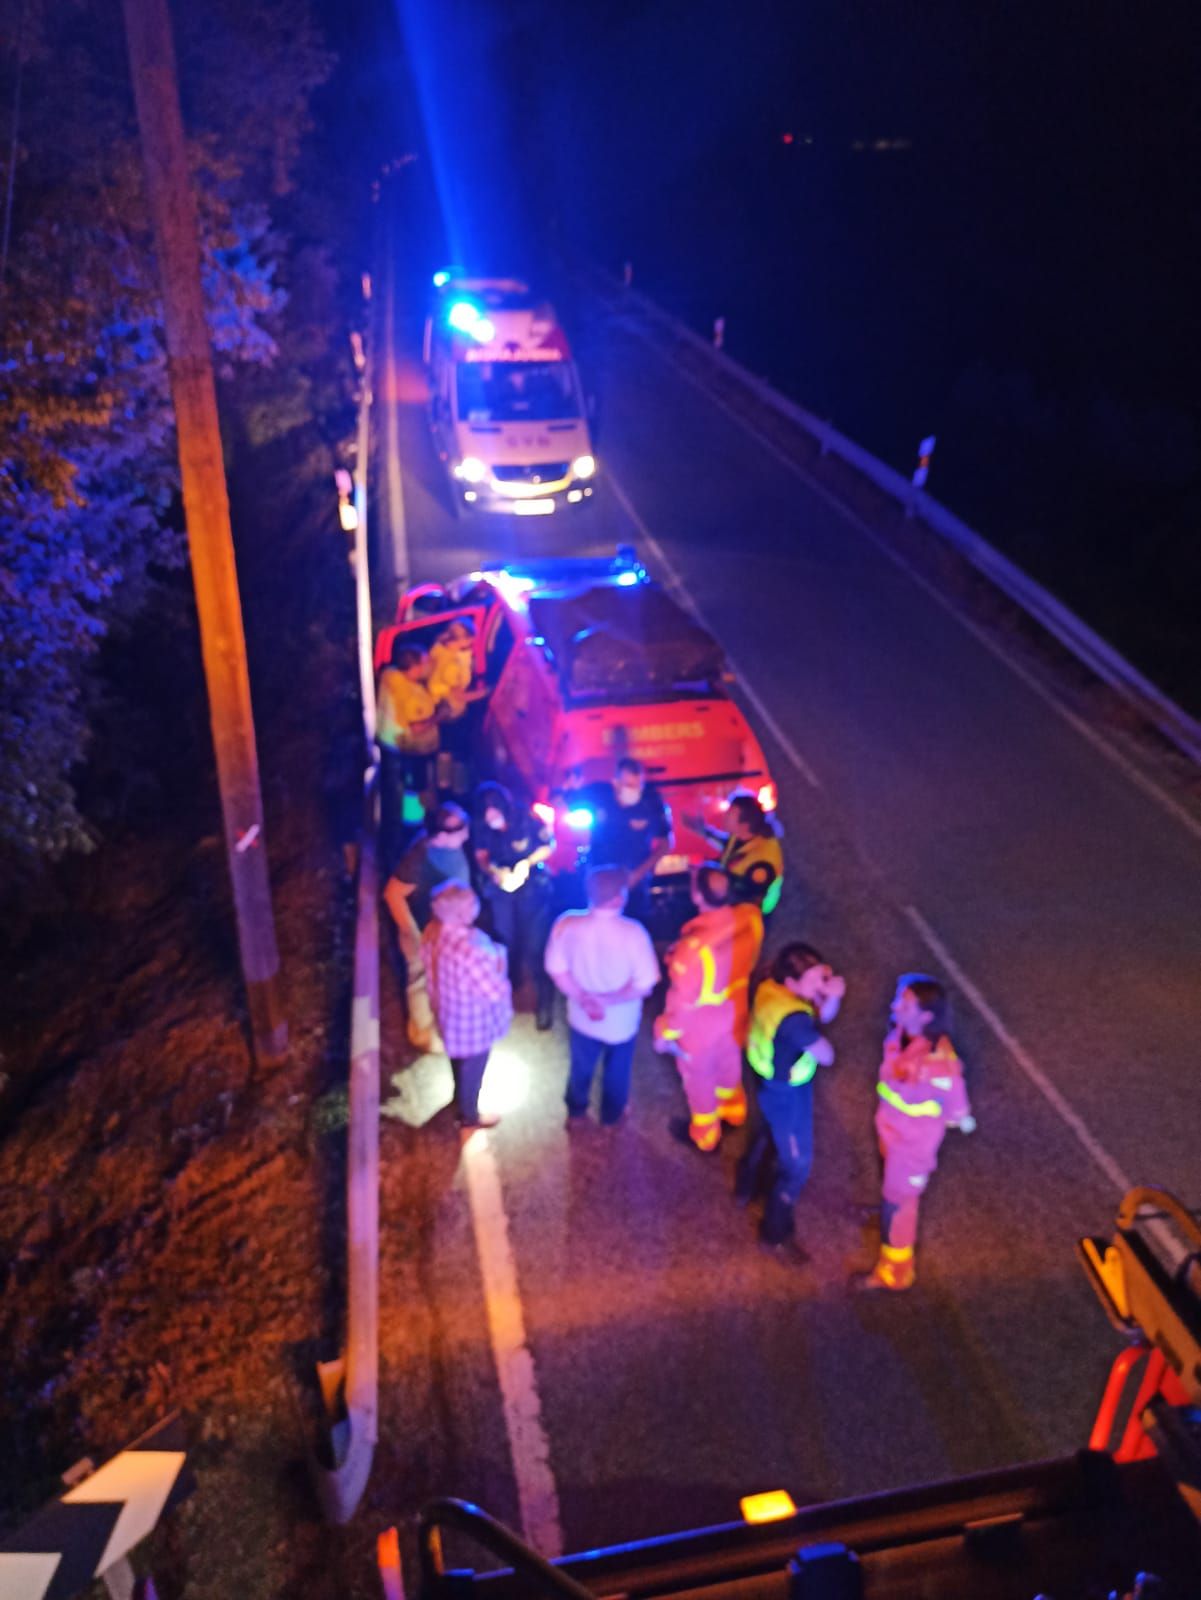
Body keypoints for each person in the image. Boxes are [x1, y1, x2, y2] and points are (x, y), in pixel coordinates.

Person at [854, 974, 975, 1292]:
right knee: (892, 1195)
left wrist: (959, 1120)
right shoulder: (903, 1034)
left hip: (911, 1149)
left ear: (926, 1016)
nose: (894, 1006)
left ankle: (895, 1271)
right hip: (891, 1133)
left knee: (902, 1207)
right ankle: (887, 1209)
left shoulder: (940, 1066)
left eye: (904, 1004)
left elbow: (956, 1111)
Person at [737, 943, 846, 1247]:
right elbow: (826, 1055)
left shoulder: (771, 984)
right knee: (797, 1163)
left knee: (766, 1133)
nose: (820, 986)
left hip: (764, 1073)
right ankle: (775, 1230)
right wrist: (831, 999)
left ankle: (746, 1186)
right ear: (792, 983)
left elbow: (820, 1014)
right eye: (814, 981)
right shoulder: (795, 1019)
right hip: (785, 1090)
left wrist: (828, 995)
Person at [652, 866, 763, 1152]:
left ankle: (704, 1135)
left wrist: (663, 1032)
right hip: (735, 1013)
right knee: (729, 1064)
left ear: (697, 895)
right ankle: (734, 1110)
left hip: (699, 1031)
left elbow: (681, 1009)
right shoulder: (751, 918)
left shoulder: (692, 951)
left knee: (699, 1081)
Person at [543, 864, 661, 1127]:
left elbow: (556, 970)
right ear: (620, 898)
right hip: (621, 1023)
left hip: (581, 1016)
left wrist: (585, 999)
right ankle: (611, 1114)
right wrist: (606, 1001)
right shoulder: (634, 933)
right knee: (617, 1071)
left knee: (580, 1066)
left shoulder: (566, 923)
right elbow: (645, 985)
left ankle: (576, 1112)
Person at [423, 881, 513, 1133]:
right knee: (474, 1067)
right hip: (472, 1021)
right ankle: (469, 1116)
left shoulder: (432, 932)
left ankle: (458, 1099)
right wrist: (499, 961)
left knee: (458, 1061)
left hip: (448, 1012)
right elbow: (493, 990)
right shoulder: (472, 948)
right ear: (464, 913)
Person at [383, 803, 472, 1049]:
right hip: (423, 932)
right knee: (420, 979)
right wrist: (410, 932)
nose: (467, 834)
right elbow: (392, 893)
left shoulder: (447, 847)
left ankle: (437, 1025)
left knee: (437, 979)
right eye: (461, 829)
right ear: (441, 835)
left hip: (440, 932)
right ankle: (421, 1033)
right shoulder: (419, 857)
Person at [472, 782, 556, 1029]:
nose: (492, 819)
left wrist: (526, 863)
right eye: (487, 814)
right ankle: (509, 993)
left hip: (533, 887)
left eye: (495, 813)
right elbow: (482, 857)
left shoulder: (527, 817)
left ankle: (544, 1004)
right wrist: (492, 872)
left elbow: (549, 846)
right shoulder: (480, 824)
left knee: (534, 945)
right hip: (502, 888)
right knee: (504, 941)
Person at [376, 641, 439, 870]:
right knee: (406, 797)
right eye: (423, 663)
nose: (427, 666)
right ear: (414, 667)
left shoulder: (390, 675)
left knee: (394, 797)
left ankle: (397, 844)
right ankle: (406, 846)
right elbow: (416, 727)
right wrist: (438, 715)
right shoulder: (407, 693)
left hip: (386, 743)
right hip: (402, 749)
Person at [582, 758, 671, 897]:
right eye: (629, 785)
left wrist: (637, 875)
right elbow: (564, 801)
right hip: (601, 879)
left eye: (638, 786)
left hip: (636, 882)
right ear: (616, 783)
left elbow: (665, 844)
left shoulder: (651, 803)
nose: (635, 791)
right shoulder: (599, 796)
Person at [693, 794, 784, 915]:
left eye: (730, 814)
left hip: (752, 915)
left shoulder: (763, 859)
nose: (724, 816)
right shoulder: (742, 835)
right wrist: (705, 832)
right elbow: (730, 849)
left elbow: (750, 896)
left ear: (744, 825)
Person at [428, 618, 489, 792]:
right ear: (462, 640)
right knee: (453, 751)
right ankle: (454, 790)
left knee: (445, 749)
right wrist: (485, 693)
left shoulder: (439, 647)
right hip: (451, 712)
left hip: (438, 706)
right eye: (470, 640)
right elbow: (460, 696)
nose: (472, 643)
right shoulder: (452, 665)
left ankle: (444, 786)